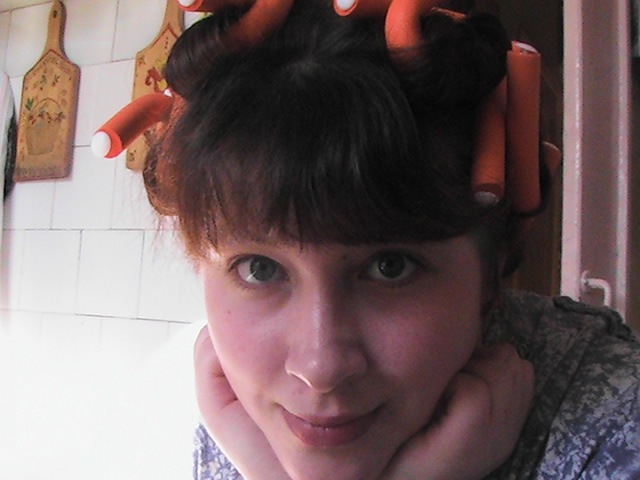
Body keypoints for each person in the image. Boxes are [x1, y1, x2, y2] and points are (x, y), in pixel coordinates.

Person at [93, 1, 640, 479]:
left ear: (492, 273)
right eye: (259, 268)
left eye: (390, 267)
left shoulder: (615, 425)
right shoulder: (228, 425)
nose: (320, 369)